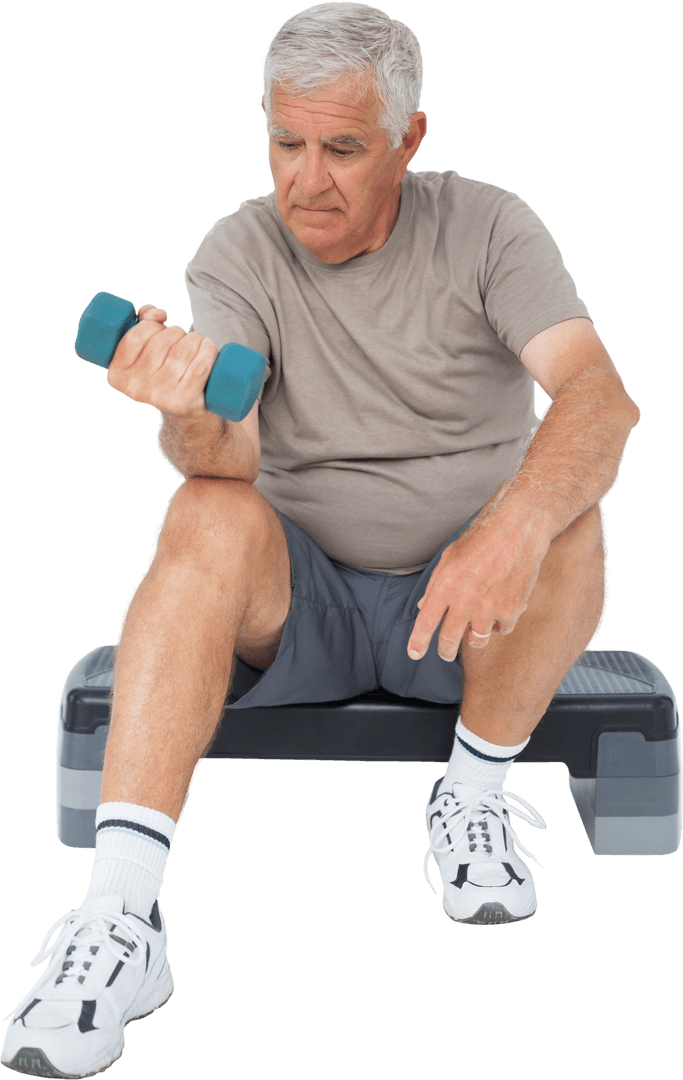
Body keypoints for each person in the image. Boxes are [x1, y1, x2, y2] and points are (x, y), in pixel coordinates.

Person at [1, 2, 640, 1076]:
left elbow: (598, 396)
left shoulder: (488, 227)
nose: (307, 179)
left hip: (466, 613)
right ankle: (119, 924)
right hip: (302, 607)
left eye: (342, 148)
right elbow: (228, 461)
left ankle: (470, 803)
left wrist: (513, 525)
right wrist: (181, 404)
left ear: (409, 138)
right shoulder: (239, 249)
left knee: (571, 510)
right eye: (285, 143)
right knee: (201, 510)